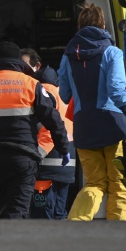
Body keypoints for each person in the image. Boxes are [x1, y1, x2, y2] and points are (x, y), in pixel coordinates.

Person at [57, 3, 126, 221]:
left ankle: (75, 222)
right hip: (113, 127)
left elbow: (64, 95)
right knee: (118, 185)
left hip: (84, 129)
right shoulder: (112, 52)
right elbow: (117, 93)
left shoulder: (68, 56)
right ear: (103, 25)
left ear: (80, 26)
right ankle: (117, 236)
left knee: (94, 184)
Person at [0, 42, 68, 219]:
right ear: (17, 61)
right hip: (23, 158)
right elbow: (52, 119)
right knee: (17, 210)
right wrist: (63, 148)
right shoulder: (32, 84)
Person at [20, 48, 75, 220]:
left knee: (43, 216)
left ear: (37, 66)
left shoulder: (41, 90)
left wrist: (35, 156)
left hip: (47, 163)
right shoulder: (61, 90)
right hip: (66, 163)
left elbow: (49, 129)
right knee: (59, 214)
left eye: (24, 66)